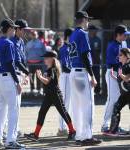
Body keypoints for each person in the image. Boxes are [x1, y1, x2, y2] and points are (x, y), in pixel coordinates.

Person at [24, 51, 76, 141]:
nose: (45, 59)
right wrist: (41, 76)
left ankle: (72, 131)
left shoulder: (53, 69)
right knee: (42, 112)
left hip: (55, 94)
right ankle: (36, 134)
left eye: (46, 58)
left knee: (63, 112)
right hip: (49, 95)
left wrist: (39, 77)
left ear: (52, 59)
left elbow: (47, 81)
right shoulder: (49, 69)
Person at [69, 11, 102, 146]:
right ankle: (87, 136)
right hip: (82, 74)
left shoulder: (72, 34)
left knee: (77, 107)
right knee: (87, 106)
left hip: (73, 72)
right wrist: (92, 75)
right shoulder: (83, 33)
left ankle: (79, 136)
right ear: (82, 20)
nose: (88, 22)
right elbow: (84, 56)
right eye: (87, 19)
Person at [0, 18, 25, 149]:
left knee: (0, 111)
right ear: (9, 29)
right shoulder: (8, 43)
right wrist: (17, 82)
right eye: (13, 28)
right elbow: (10, 64)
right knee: (13, 110)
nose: (14, 30)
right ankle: (11, 141)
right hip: (8, 78)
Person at [101, 25, 130, 133]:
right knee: (112, 99)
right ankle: (105, 125)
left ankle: (115, 125)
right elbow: (112, 63)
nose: (126, 36)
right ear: (118, 34)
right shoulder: (111, 46)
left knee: (118, 99)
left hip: (120, 73)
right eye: (124, 34)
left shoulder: (124, 43)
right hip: (112, 73)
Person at [10, 19, 30, 137]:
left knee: (17, 105)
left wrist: (25, 74)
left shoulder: (21, 41)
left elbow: (23, 59)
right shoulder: (12, 41)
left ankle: (15, 129)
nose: (25, 32)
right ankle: (10, 131)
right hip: (13, 75)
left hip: (19, 74)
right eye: (23, 29)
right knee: (12, 106)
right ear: (17, 29)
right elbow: (16, 62)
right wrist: (26, 72)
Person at [57, 28, 73, 136]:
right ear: (68, 36)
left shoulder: (70, 48)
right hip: (66, 76)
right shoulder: (64, 49)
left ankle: (65, 126)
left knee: (69, 103)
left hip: (70, 76)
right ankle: (61, 128)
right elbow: (65, 66)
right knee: (65, 102)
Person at [88, 25, 101, 94]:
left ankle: (97, 91)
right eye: (94, 30)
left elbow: (100, 50)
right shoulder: (86, 39)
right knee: (89, 76)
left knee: (97, 76)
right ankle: (90, 90)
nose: (96, 31)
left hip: (96, 61)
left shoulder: (98, 39)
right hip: (88, 62)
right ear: (90, 30)